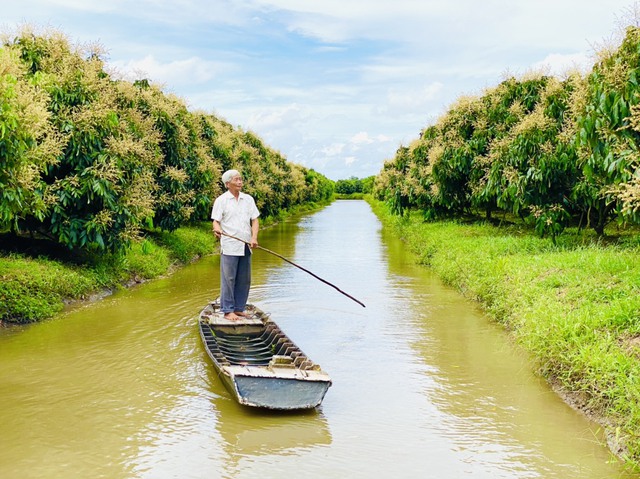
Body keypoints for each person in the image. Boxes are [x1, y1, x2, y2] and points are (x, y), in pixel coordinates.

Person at [211, 169, 260, 320]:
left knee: (244, 278)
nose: (240, 182)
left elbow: (255, 220)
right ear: (228, 184)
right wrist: (217, 230)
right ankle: (227, 310)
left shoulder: (248, 199)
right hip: (230, 245)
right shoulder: (221, 200)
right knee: (229, 278)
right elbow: (216, 221)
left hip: (245, 244)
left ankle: (239, 308)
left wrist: (254, 238)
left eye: (240, 179)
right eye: (236, 179)